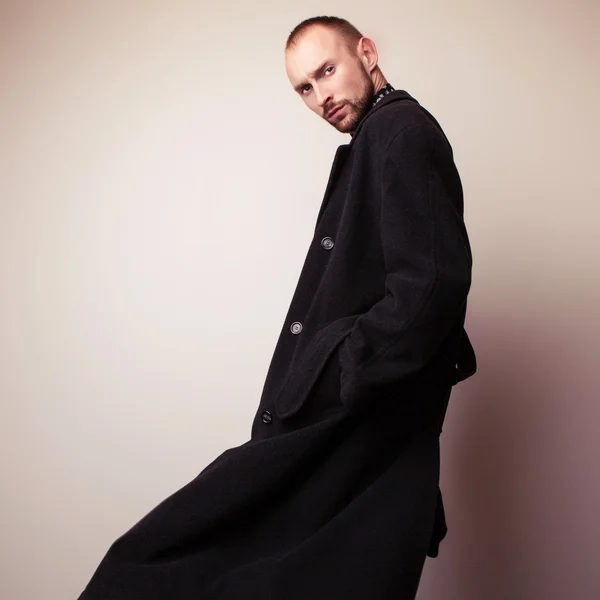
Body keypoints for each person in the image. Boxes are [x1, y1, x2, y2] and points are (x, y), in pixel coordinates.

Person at [78, 15, 476, 600]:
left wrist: (345, 368)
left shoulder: (402, 131)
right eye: (305, 89)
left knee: (174, 566)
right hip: (345, 423)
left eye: (327, 71)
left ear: (365, 52)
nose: (322, 97)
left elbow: (433, 284)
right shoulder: (374, 139)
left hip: (353, 424)